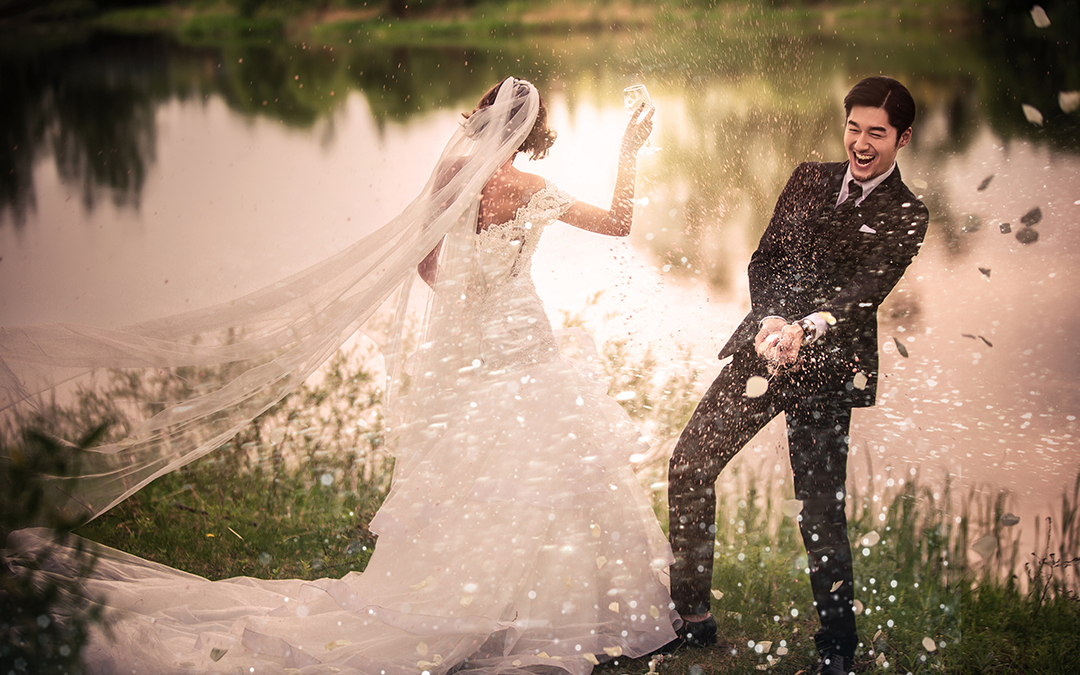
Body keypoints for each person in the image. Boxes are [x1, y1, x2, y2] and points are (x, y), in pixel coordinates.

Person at [3, 78, 680, 674]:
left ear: (482, 118)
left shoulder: (452, 174)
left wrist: (466, 304)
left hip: (473, 347)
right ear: (532, 132)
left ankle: (470, 602)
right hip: (525, 341)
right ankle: (541, 612)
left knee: (474, 474)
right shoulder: (536, 191)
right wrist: (629, 148)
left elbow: (424, 263)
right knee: (546, 471)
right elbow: (619, 223)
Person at [663, 76, 929, 675]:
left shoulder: (909, 213)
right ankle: (693, 618)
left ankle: (837, 650)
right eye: (854, 128)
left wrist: (807, 329)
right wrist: (773, 318)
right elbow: (768, 258)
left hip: (829, 371)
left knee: (819, 510)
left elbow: (866, 291)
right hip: (764, 347)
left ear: (903, 138)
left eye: (877, 133)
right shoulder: (809, 177)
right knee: (689, 465)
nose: (861, 144)